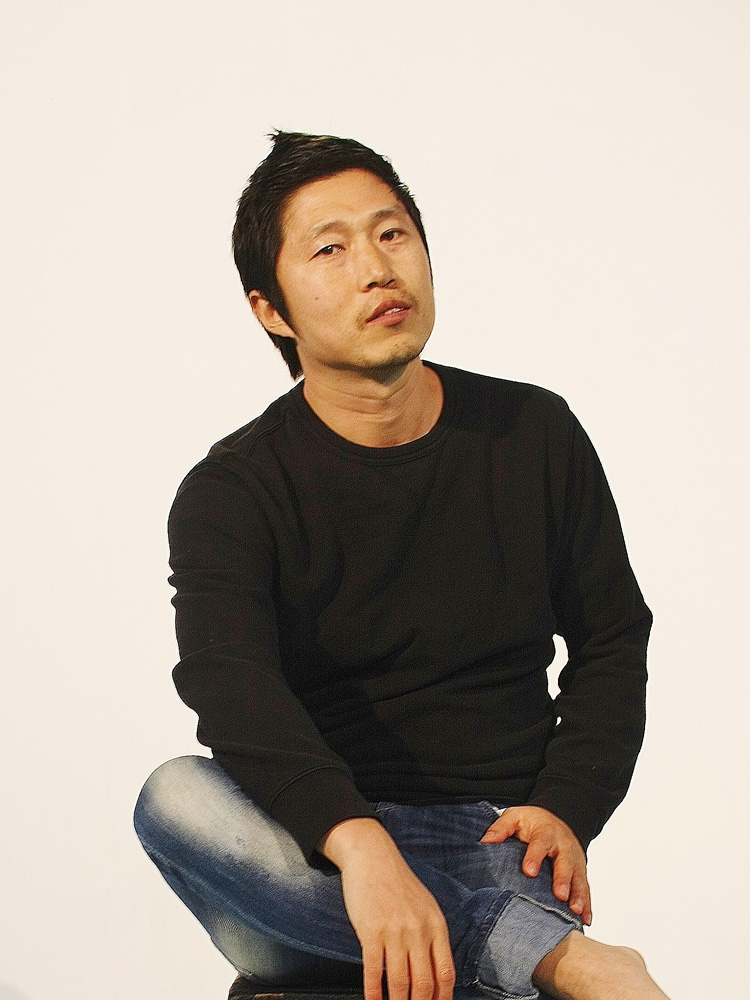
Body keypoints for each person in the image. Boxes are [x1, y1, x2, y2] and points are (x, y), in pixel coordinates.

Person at [135, 131, 671, 1000]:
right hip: (316, 853)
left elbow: (612, 638)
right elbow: (231, 686)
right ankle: (548, 959)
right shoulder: (232, 490)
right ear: (271, 310)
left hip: (496, 837)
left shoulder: (533, 434)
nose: (377, 269)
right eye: (331, 249)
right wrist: (359, 846)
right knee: (175, 798)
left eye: (392, 234)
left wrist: (567, 807)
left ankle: (448, 945)